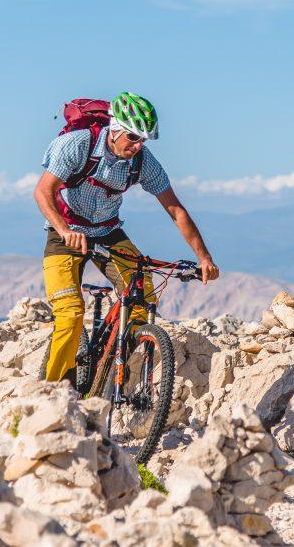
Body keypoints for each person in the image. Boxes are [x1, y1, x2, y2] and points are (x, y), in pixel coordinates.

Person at [33, 92, 219, 383]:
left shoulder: (143, 161)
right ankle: (53, 389)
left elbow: (176, 211)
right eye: (132, 137)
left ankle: (117, 362)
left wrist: (204, 258)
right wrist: (65, 231)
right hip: (64, 234)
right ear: (115, 129)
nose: (137, 146)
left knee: (142, 293)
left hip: (107, 231)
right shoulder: (78, 144)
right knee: (69, 317)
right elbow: (43, 192)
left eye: (143, 140)